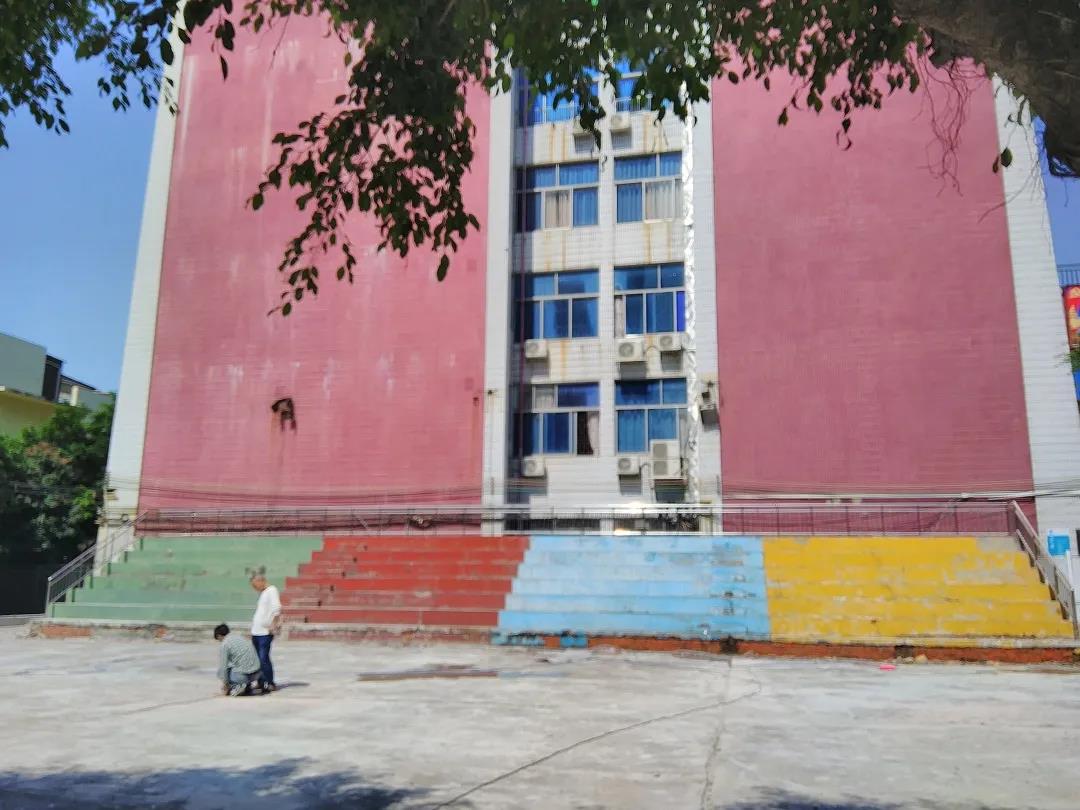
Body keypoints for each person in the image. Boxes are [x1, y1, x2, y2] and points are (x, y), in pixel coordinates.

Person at [250, 570, 282, 692]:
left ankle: (269, 681)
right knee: (257, 659)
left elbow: (276, 609)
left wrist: (273, 625)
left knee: (264, 658)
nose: (255, 588)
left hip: (264, 632)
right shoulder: (263, 593)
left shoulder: (271, 590)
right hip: (256, 631)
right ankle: (260, 681)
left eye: (255, 585)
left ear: (260, 581)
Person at [214, 623, 261, 696]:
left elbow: (223, 667)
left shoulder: (225, 644)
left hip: (244, 677)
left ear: (219, 636)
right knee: (237, 665)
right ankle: (247, 686)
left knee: (220, 672)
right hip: (257, 673)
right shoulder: (239, 637)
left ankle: (239, 686)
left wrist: (225, 686)